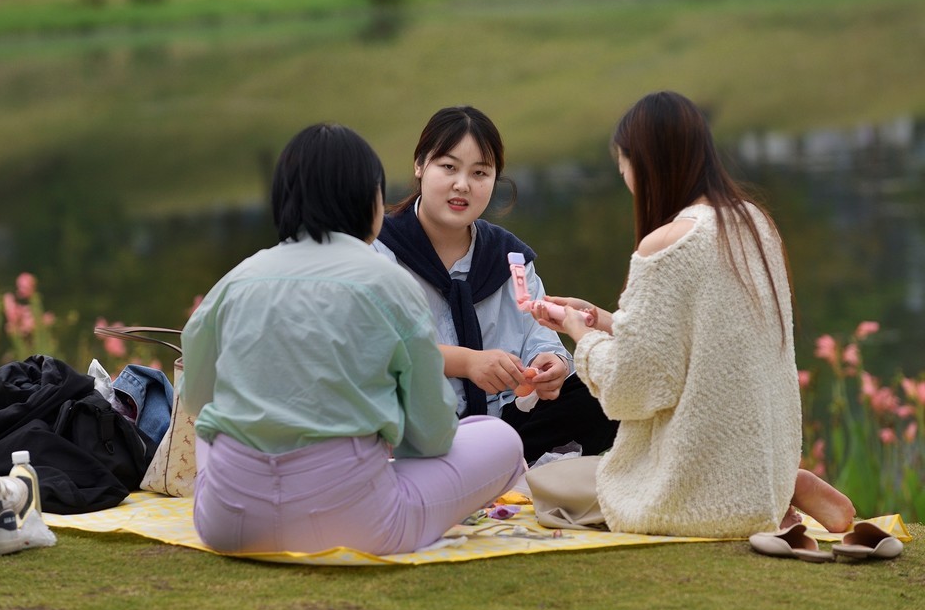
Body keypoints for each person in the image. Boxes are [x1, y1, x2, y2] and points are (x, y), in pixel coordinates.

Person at [181, 122, 525, 556]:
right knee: (501, 440)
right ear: (371, 202)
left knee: (215, 425)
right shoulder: (388, 283)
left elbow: (196, 398)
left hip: (228, 524)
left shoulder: (236, 279)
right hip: (353, 523)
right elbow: (431, 436)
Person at [529, 90, 855, 537]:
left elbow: (634, 387)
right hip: (761, 464)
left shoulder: (667, 243)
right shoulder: (753, 223)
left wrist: (579, 337)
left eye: (624, 166)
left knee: (548, 482)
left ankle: (760, 498)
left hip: (696, 487)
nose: (626, 178)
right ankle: (780, 490)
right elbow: (698, 342)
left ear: (644, 164)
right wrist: (601, 320)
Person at [374, 105, 618, 465]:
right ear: (420, 165)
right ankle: (484, 463)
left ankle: (492, 460)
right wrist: (468, 363)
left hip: (506, 420)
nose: (462, 184)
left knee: (609, 382)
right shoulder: (379, 251)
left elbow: (540, 338)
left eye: (479, 173)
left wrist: (550, 364)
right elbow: (377, 347)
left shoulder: (508, 257)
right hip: (418, 426)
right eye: (448, 167)